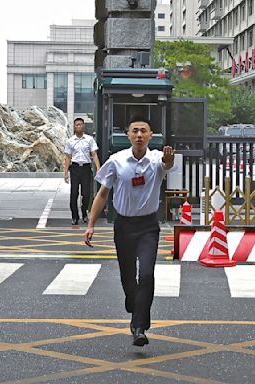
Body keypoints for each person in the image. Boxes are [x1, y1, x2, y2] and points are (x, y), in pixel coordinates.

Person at [84, 116, 176, 347]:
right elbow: (103, 193)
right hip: (123, 226)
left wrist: (169, 159)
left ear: (150, 135)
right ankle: (134, 303)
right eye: (134, 131)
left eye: (143, 131)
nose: (139, 135)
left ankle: (138, 326)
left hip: (148, 227)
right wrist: (91, 224)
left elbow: (166, 165)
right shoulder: (116, 161)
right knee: (128, 276)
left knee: (146, 274)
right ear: (128, 135)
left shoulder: (156, 159)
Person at [64, 118, 101, 225]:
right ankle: (74, 217)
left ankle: (84, 212)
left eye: (80, 125)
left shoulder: (89, 139)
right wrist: (66, 172)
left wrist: (98, 168)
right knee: (74, 194)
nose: (78, 127)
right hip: (75, 168)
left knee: (86, 193)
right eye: (76, 125)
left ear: (83, 126)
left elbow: (94, 154)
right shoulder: (70, 141)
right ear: (74, 127)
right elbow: (68, 157)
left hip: (86, 168)